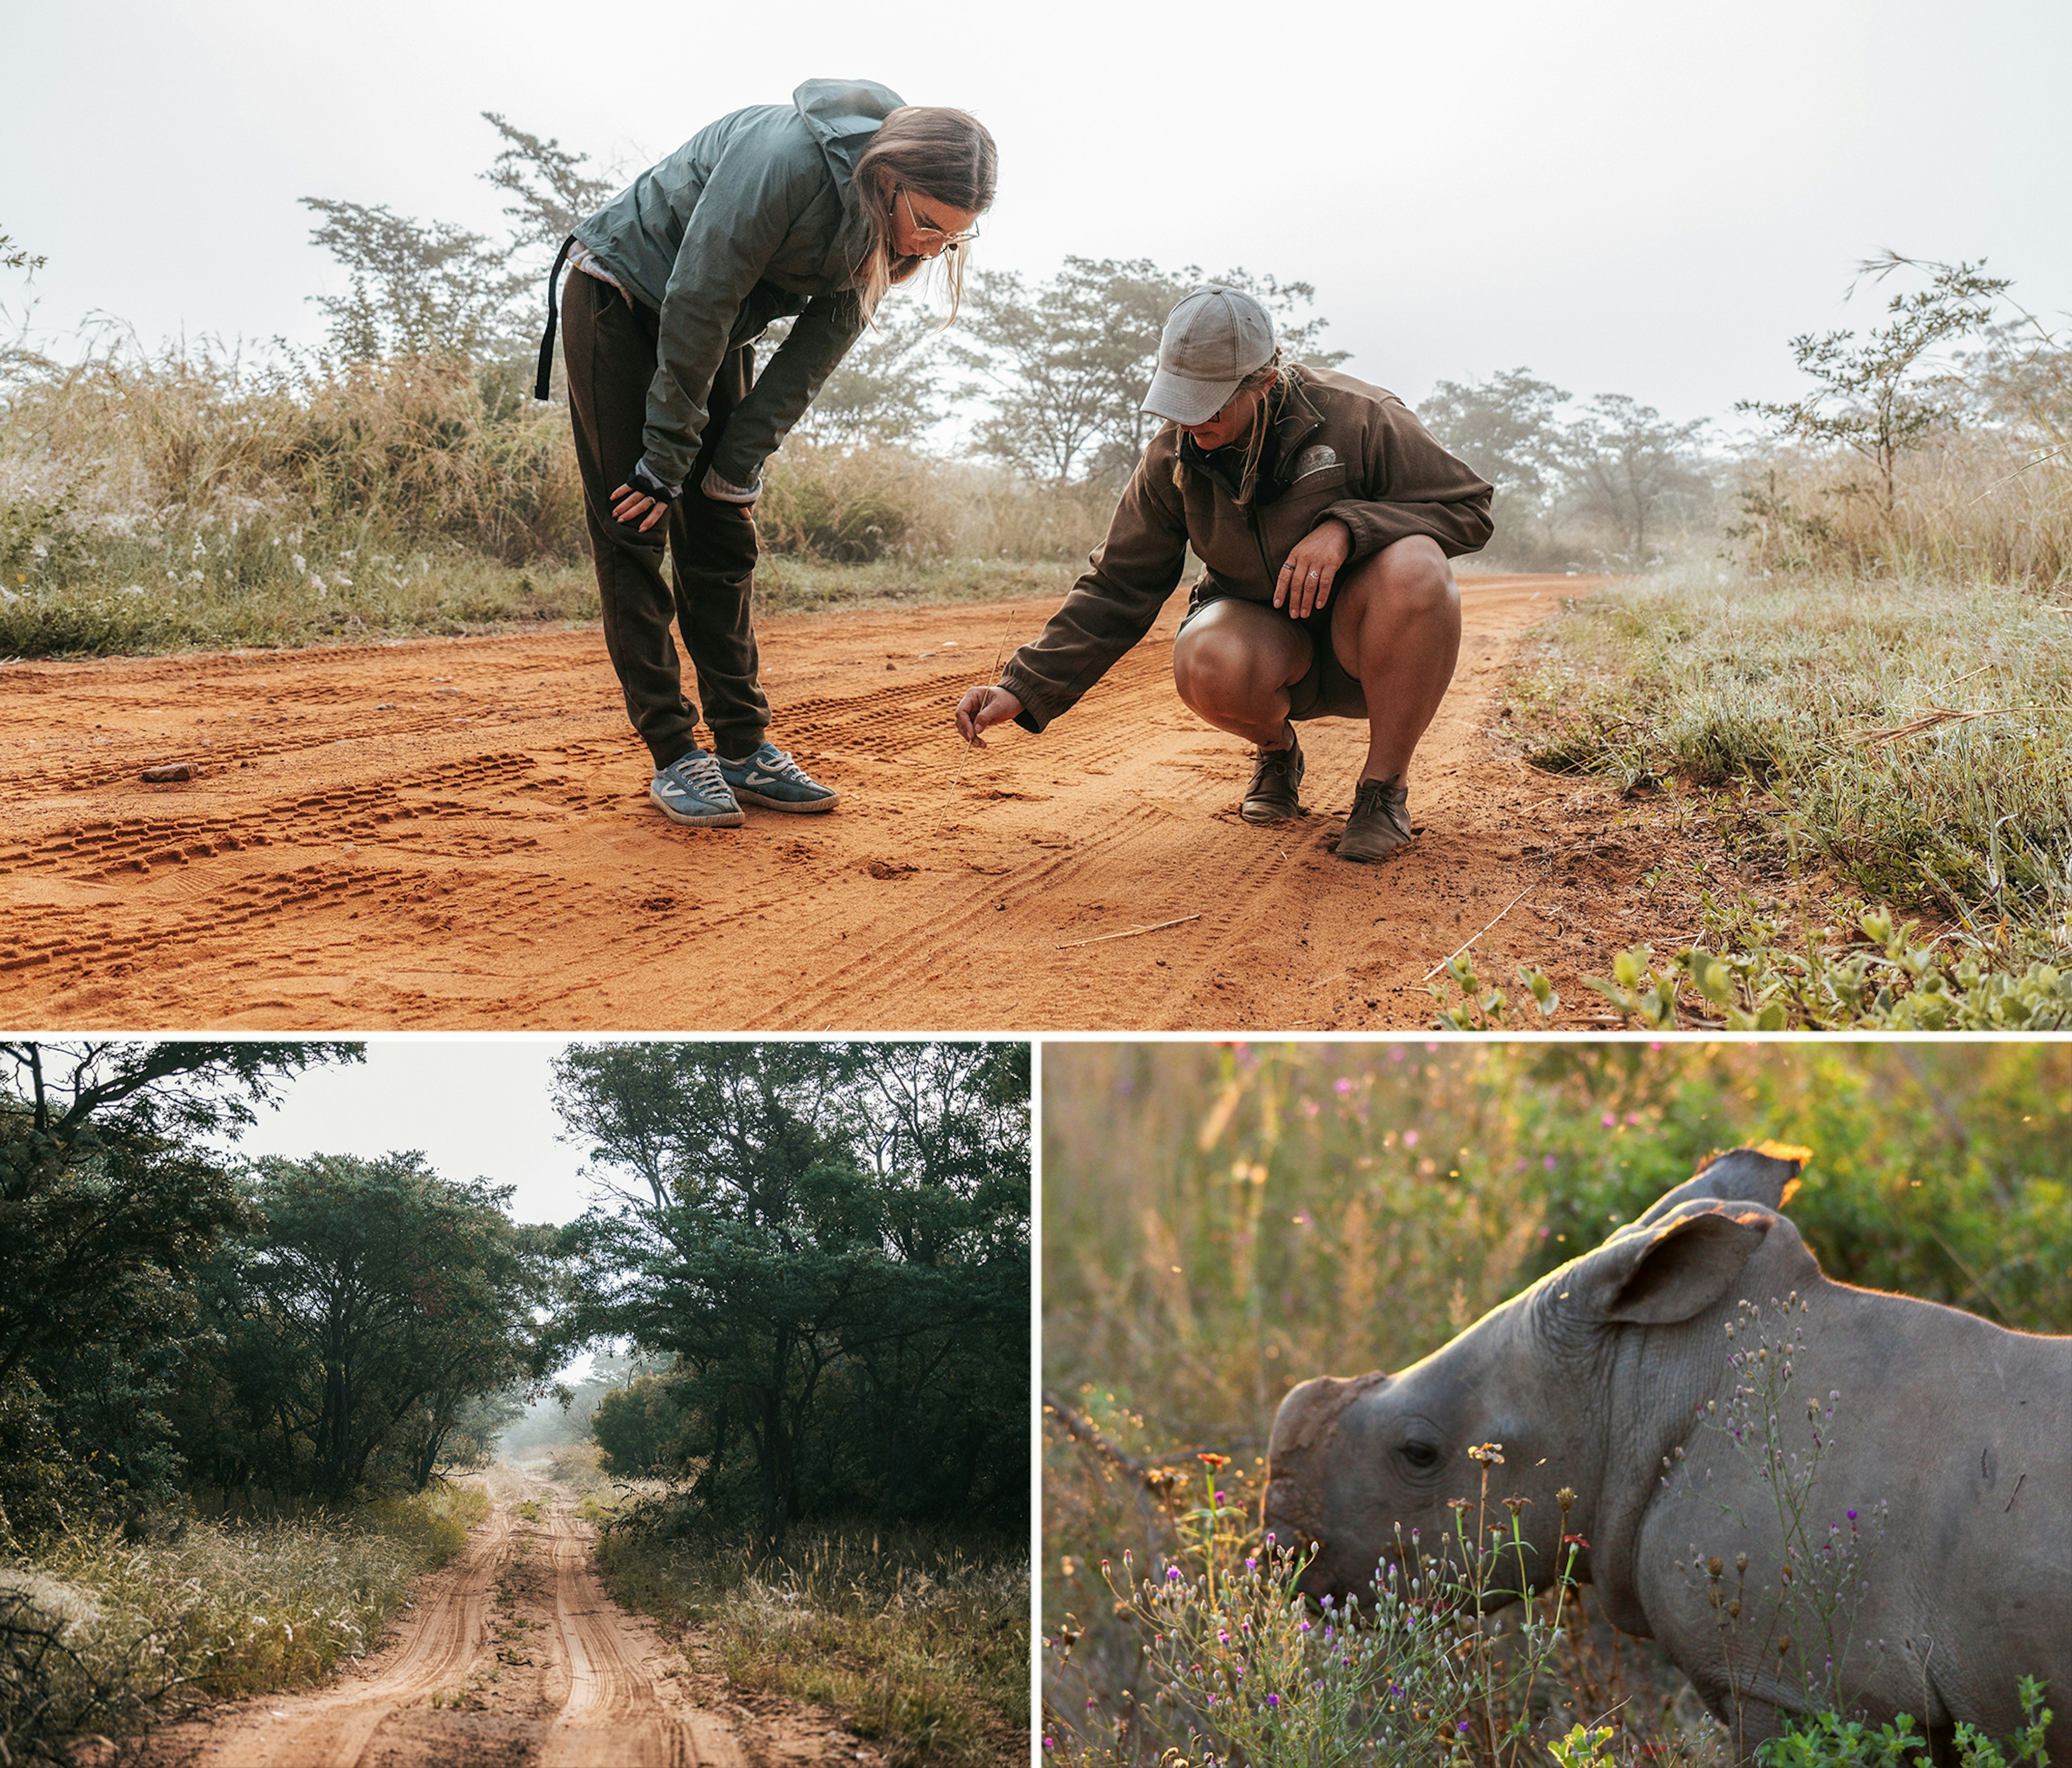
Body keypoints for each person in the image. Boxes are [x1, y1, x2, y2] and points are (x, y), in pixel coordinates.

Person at [537, 81, 996, 828]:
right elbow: (699, 296)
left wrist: (735, 466)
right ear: (888, 179)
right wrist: (665, 457)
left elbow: (809, 361)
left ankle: (744, 749)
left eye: (956, 237)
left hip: (709, 330)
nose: (935, 247)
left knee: (722, 526)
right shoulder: (784, 158)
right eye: (930, 225)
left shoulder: (888, 232)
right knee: (636, 522)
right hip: (623, 296)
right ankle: (674, 752)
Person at [953, 287, 1492, 863]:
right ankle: (1277, 752)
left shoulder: (1361, 416)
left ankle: (1382, 792)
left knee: (1416, 565)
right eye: (1178, 401)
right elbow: (1118, 584)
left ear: (1265, 383)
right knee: (1204, 652)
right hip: (1265, 650)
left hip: (1365, 649)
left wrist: (1349, 528)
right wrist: (1022, 685)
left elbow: (1469, 509)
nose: (1190, 421)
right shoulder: (1172, 457)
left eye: (1209, 404)